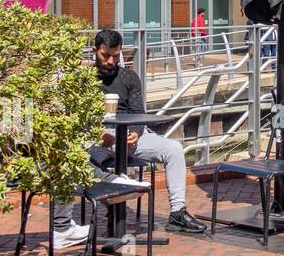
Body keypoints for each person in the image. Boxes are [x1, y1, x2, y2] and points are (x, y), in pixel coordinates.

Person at [83, 29, 206, 235]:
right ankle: (112, 203)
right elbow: (78, 118)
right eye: (106, 55)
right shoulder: (84, 80)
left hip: (132, 135)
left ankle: (178, 213)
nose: (111, 61)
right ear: (95, 51)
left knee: (173, 148)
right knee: (83, 158)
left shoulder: (130, 77)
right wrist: (97, 134)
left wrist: (135, 134)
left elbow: (138, 112)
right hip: (99, 138)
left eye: (116, 55)